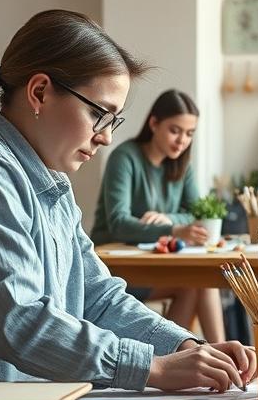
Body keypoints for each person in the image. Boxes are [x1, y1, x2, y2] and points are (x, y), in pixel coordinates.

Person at [0, 10, 255, 395]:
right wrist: (152, 368)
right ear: (40, 92)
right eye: (100, 114)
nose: (106, 137)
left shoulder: (49, 182)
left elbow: (97, 295)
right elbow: (20, 321)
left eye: (113, 121)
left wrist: (185, 348)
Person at [91, 89, 225, 343]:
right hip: (116, 268)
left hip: (158, 264)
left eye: (189, 134)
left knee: (200, 283)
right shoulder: (125, 157)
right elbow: (119, 224)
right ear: (154, 123)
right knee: (194, 285)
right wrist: (173, 230)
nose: (182, 141)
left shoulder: (182, 165)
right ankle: (189, 354)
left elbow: (197, 214)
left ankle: (209, 355)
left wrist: (168, 219)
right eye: (175, 130)